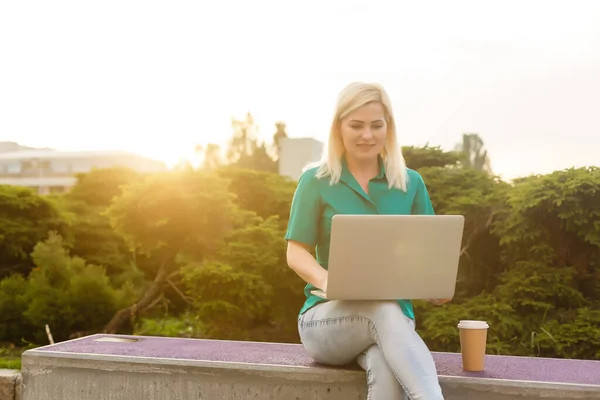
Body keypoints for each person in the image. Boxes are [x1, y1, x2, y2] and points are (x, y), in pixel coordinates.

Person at [284, 82, 451, 399]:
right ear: (339, 128)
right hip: (326, 321)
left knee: (387, 366)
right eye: (356, 125)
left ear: (388, 128)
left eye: (376, 125)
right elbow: (296, 252)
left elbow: (428, 256)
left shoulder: (410, 183)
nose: (367, 135)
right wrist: (326, 279)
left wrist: (434, 287)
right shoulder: (315, 181)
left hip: (394, 324)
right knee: (381, 307)